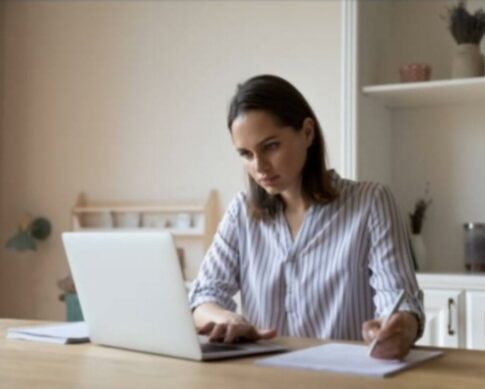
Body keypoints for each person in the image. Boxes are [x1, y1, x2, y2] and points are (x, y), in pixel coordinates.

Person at [188, 74, 424, 360]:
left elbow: (399, 299)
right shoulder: (241, 212)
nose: (259, 166)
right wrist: (227, 319)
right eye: (246, 154)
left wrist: (401, 327)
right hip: (265, 379)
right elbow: (203, 298)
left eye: (271, 146)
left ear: (307, 132)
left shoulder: (370, 203)